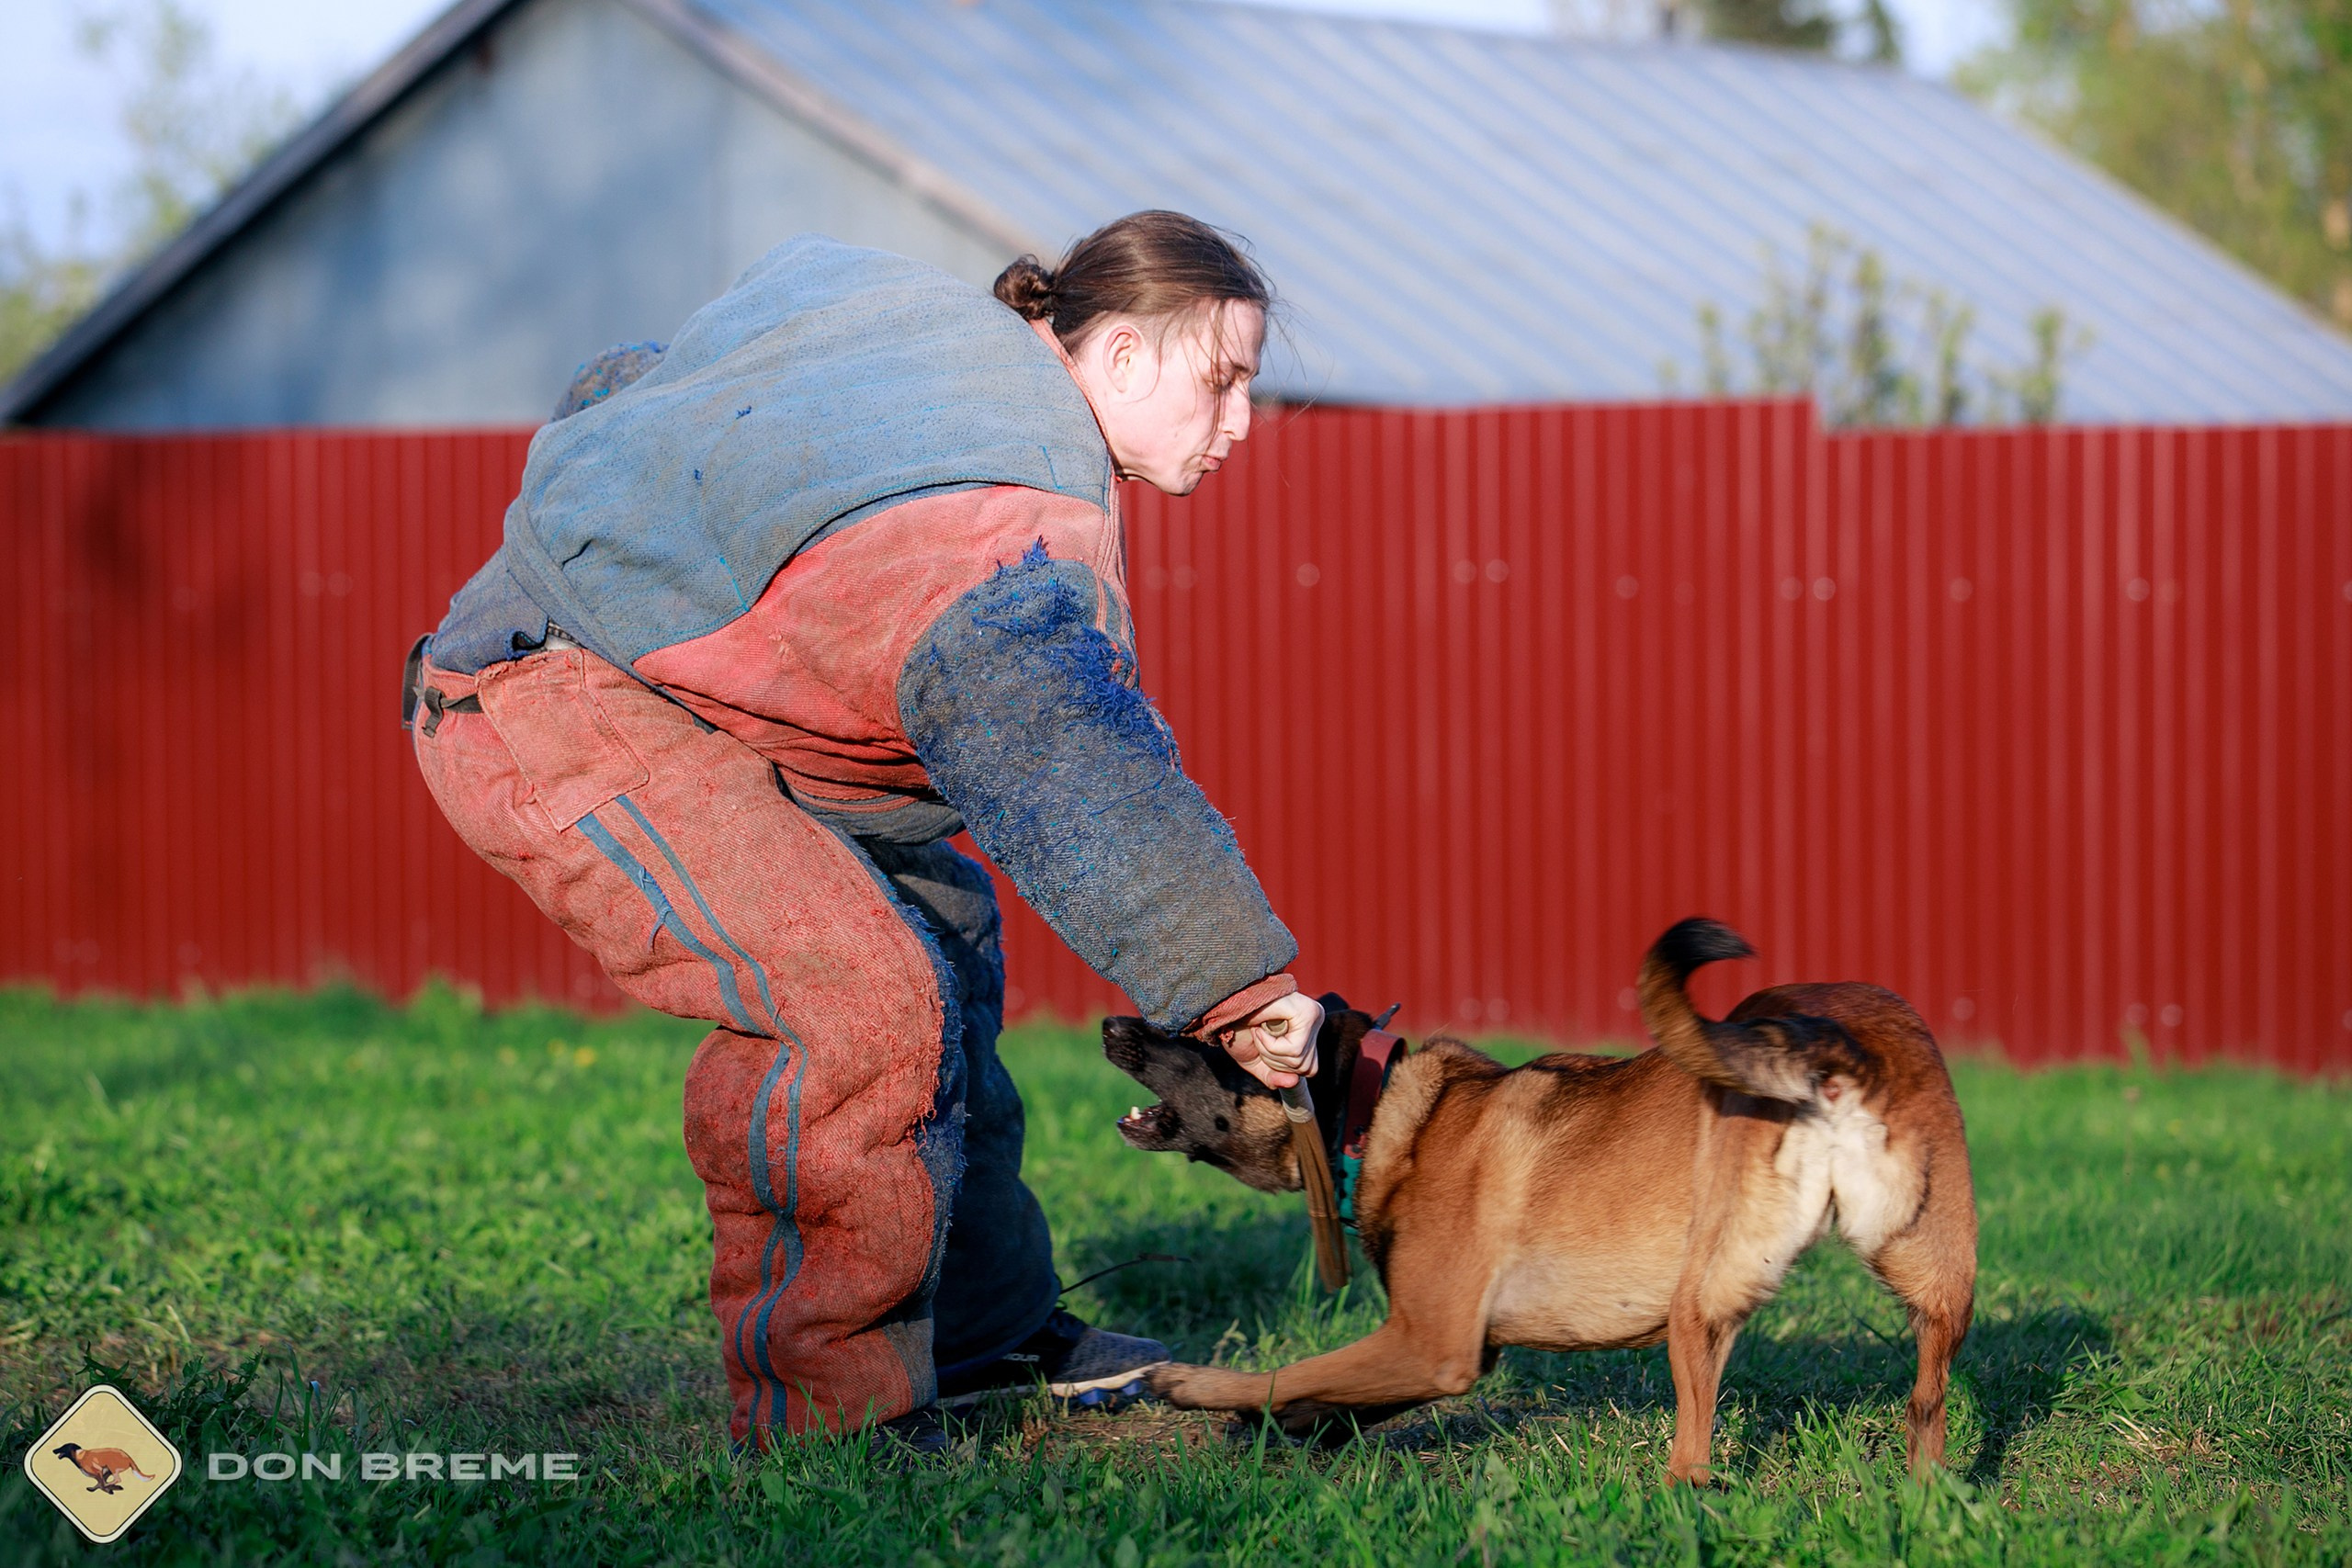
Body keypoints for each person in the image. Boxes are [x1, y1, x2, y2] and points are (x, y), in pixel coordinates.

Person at [401, 211, 1324, 1452]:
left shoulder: (935, 348)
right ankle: (827, 1424)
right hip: (549, 695)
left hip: (670, 686)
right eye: (1226, 381)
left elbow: (645, 374)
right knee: (859, 999)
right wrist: (1240, 988)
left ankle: (982, 1340)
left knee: (941, 940)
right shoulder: (996, 511)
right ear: (1120, 359)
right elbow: (1064, 758)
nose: (1244, 424)